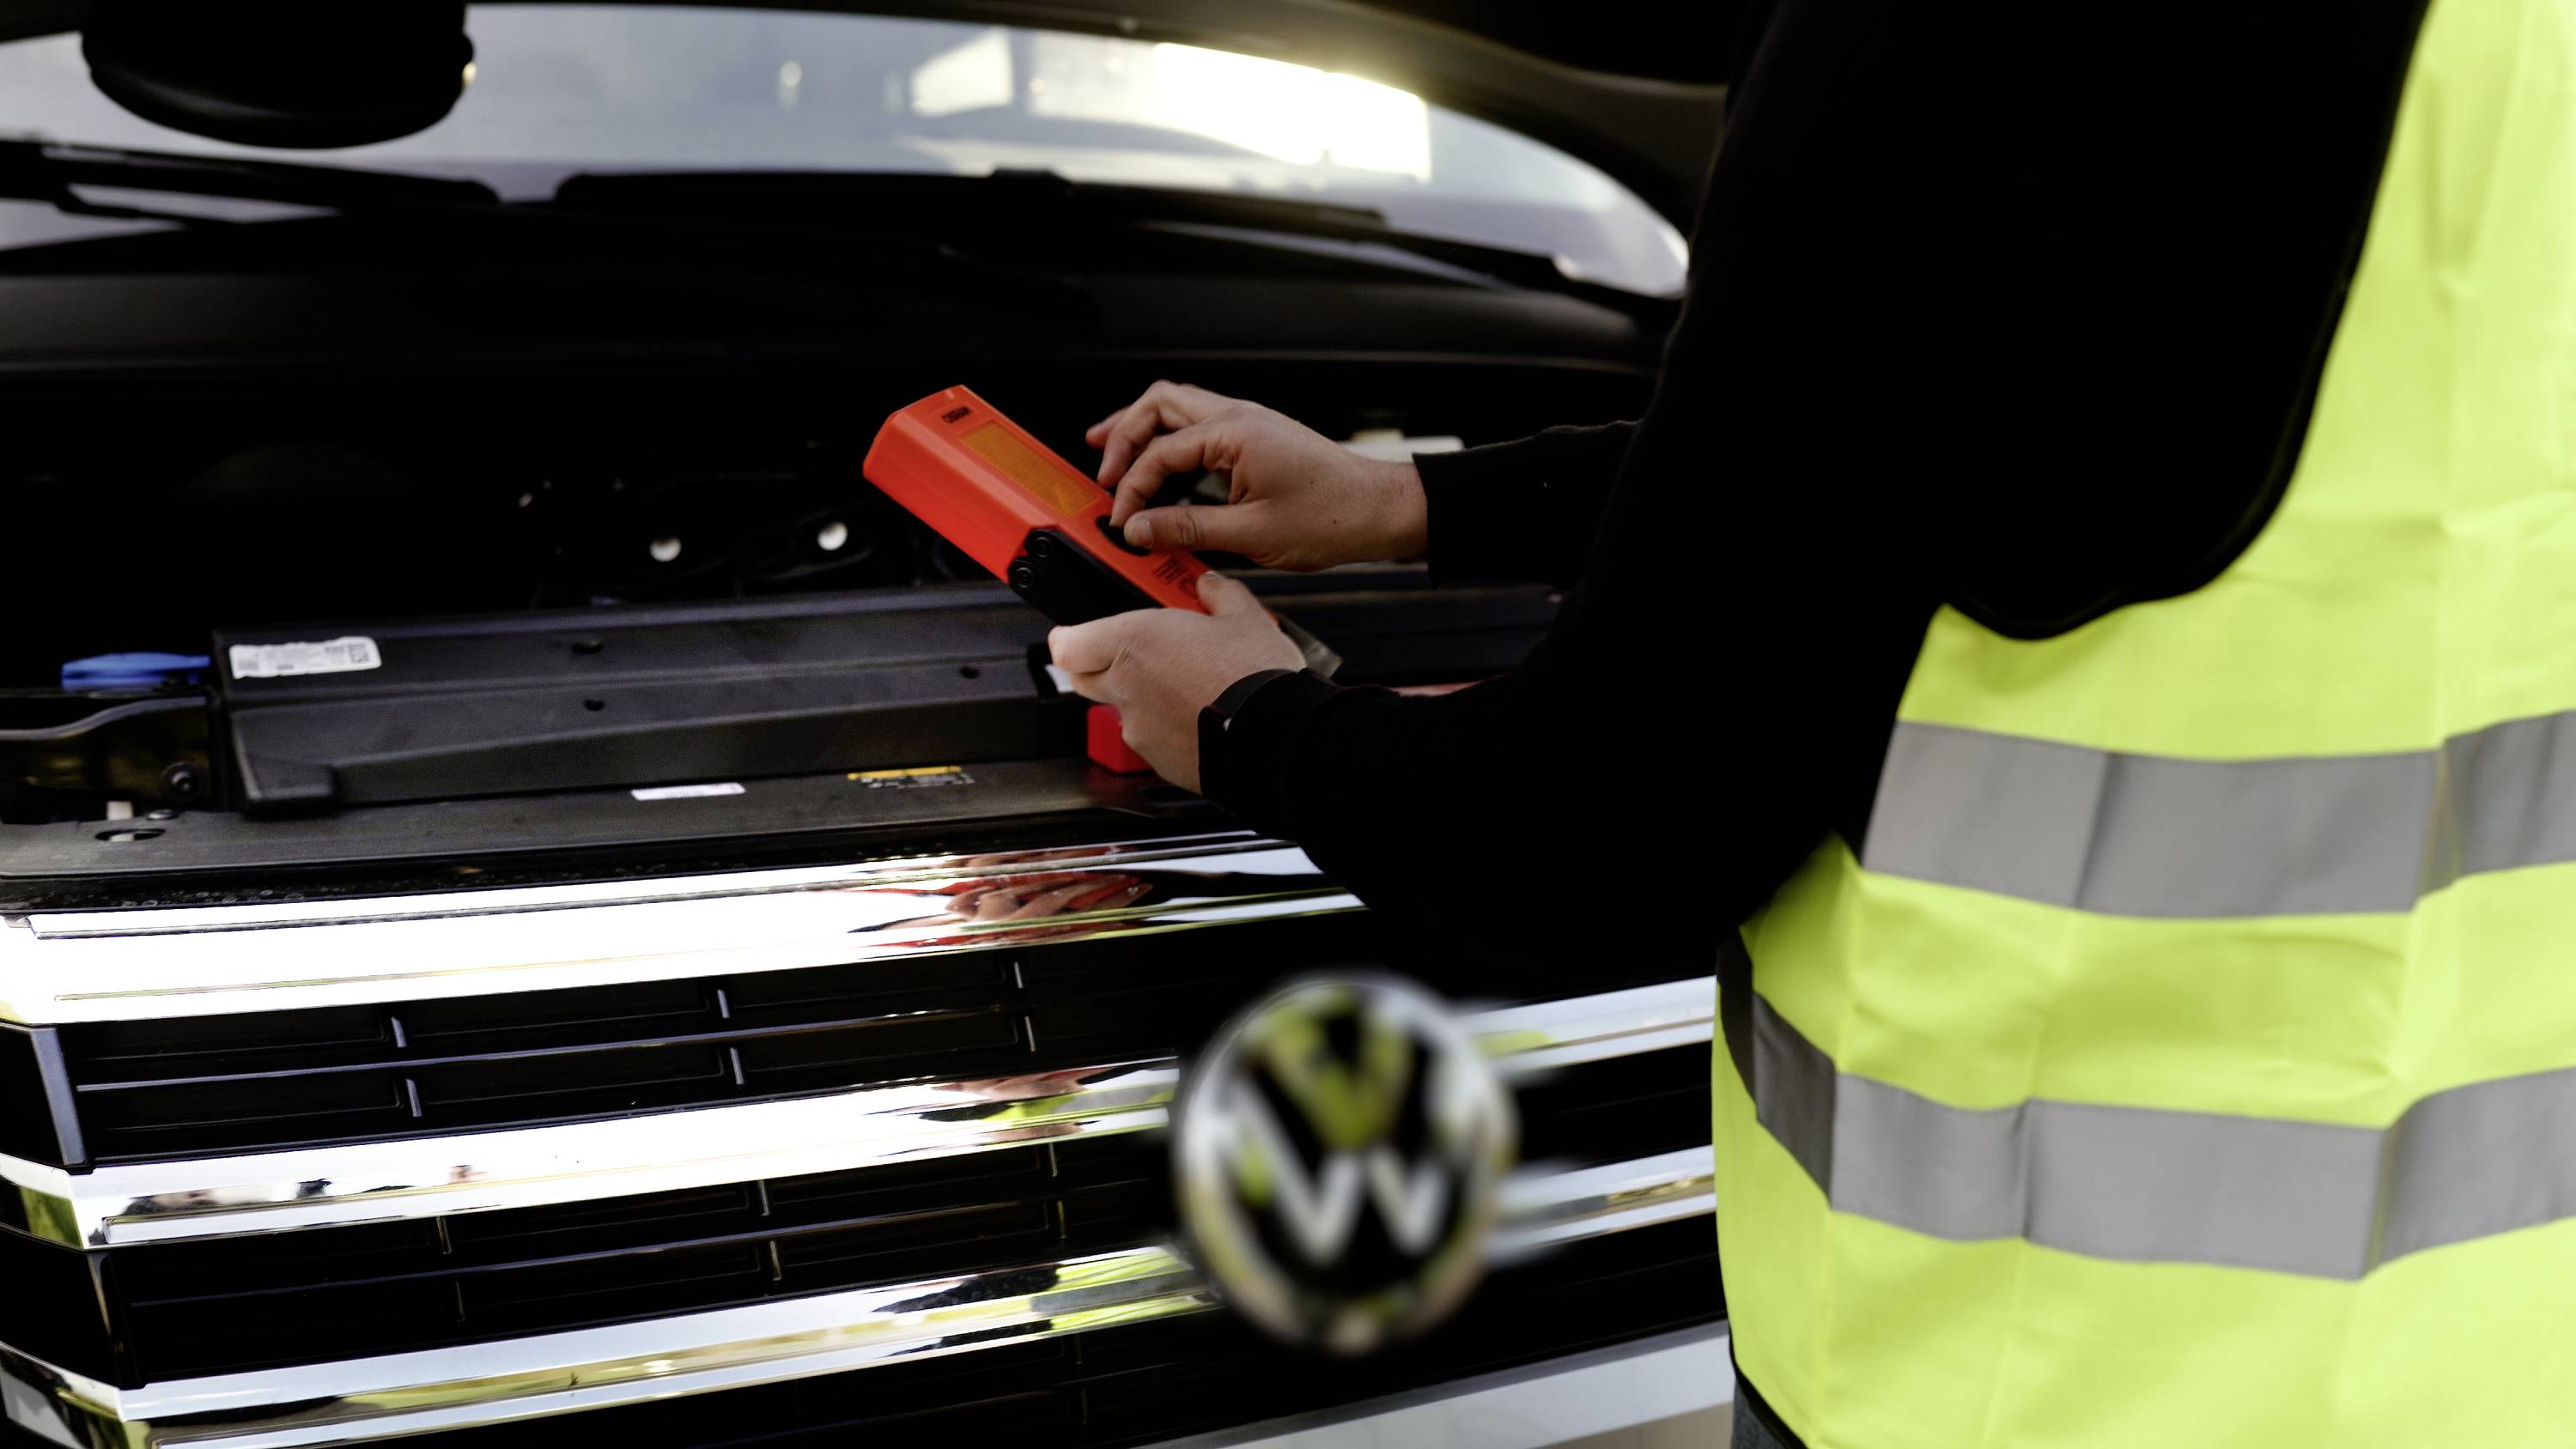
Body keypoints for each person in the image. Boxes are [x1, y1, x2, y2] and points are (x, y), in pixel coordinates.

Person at [1052, 0, 2576, 1445]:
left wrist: (1246, 724)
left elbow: (1597, 827)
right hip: (2490, 1358)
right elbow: (2016, 446)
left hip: (2027, 1378)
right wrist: (1415, 502)